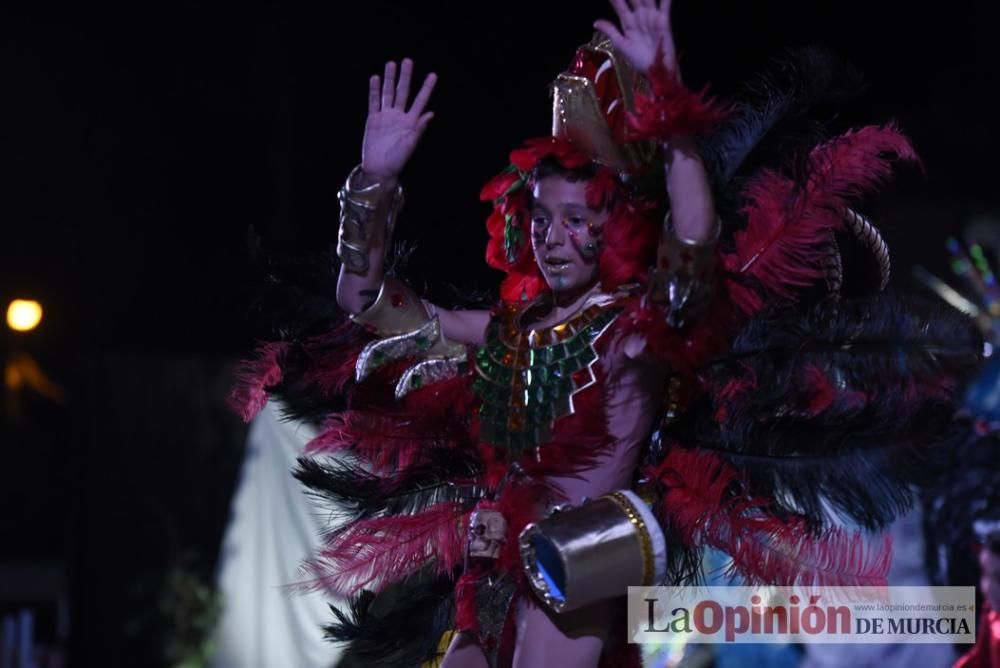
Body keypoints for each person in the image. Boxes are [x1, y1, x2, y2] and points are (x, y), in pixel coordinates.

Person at [231, 1, 983, 666]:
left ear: (617, 227)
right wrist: (372, 184)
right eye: (543, 219)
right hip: (491, 572)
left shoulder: (635, 333)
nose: (554, 238)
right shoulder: (507, 330)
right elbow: (367, 300)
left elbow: (693, 239)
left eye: (579, 221)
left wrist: (668, 104)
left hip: (581, 570)